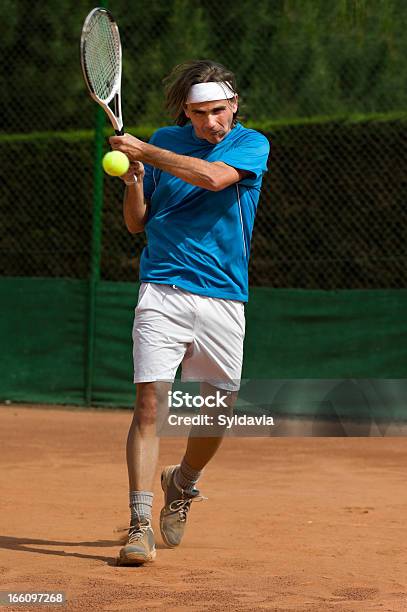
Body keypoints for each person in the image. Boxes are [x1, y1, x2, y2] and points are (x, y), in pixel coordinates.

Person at [109, 59, 270, 565]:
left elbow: (214, 179)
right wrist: (136, 179)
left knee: (218, 409)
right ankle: (139, 522)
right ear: (186, 109)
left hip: (224, 295)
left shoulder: (250, 145)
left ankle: (183, 482)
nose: (210, 123)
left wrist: (145, 150)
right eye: (199, 113)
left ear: (234, 105)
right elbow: (137, 224)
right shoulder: (164, 140)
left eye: (219, 111)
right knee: (150, 405)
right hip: (162, 288)